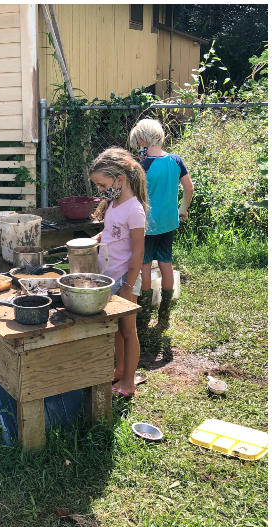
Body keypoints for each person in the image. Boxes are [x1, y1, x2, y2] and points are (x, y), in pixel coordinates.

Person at [88, 148, 148, 399]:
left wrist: (128, 285)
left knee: (128, 331)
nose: (100, 190)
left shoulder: (134, 211)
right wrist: (95, 238)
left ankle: (128, 383)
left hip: (125, 278)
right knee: (116, 330)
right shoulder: (114, 203)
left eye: (102, 185)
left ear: (119, 180)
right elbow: (111, 233)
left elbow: (138, 252)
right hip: (110, 276)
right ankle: (120, 369)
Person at [128, 118, 193, 324]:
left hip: (146, 225)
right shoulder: (176, 160)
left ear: (141, 142)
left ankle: (145, 312)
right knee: (166, 262)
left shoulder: (142, 166)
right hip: (169, 222)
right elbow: (189, 188)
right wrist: (183, 209)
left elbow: (134, 195)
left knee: (145, 265)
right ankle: (165, 313)